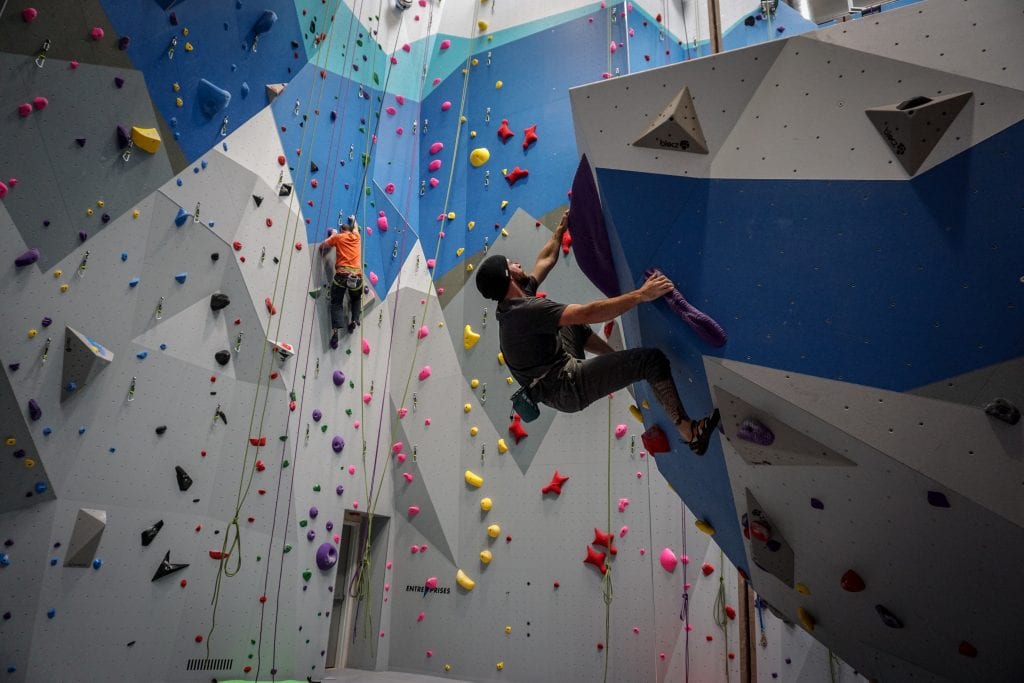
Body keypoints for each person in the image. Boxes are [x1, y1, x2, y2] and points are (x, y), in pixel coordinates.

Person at [474, 211, 719, 454]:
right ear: (509, 278)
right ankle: (689, 431)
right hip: (566, 387)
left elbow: (544, 261)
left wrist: (560, 231)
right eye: (511, 264)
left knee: (568, 324)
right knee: (651, 361)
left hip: (554, 372)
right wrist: (641, 294)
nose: (517, 263)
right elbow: (589, 313)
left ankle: (619, 362)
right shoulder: (525, 312)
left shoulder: (514, 298)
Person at [319, 215, 363, 348]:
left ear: (341, 230)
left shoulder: (338, 237)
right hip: (356, 277)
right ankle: (354, 320)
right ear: (350, 231)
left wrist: (333, 234)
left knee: (337, 303)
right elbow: (355, 227)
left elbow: (322, 246)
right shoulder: (356, 237)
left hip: (342, 276)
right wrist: (354, 218)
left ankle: (335, 333)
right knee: (355, 299)